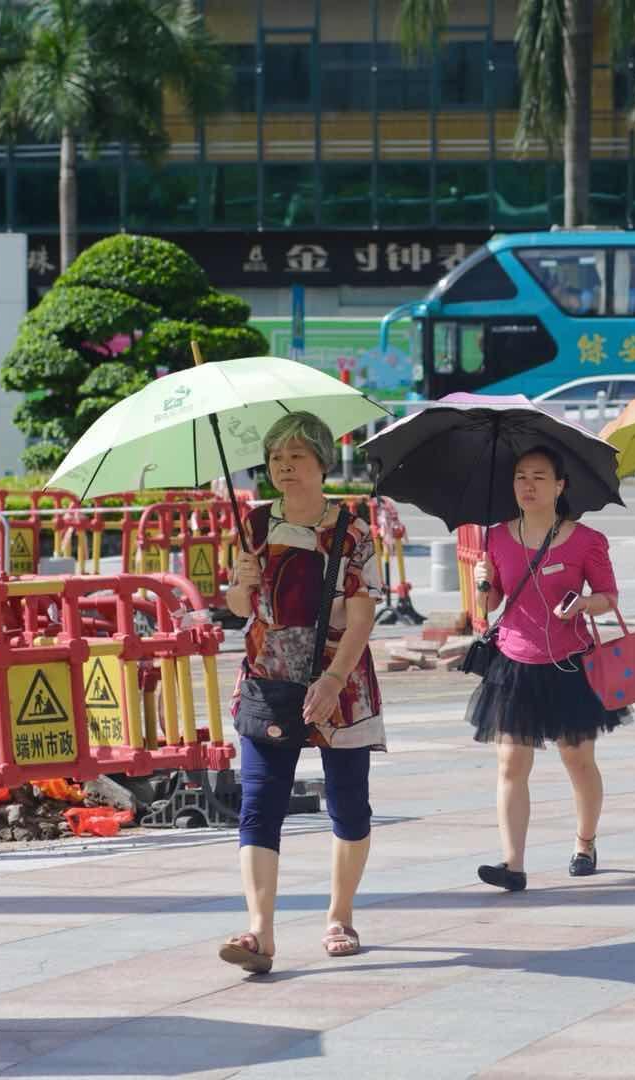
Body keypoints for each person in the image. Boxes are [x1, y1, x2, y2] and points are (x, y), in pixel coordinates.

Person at [219, 412, 385, 972]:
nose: (284, 468)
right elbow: (241, 611)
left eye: (296, 457)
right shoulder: (253, 527)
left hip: (341, 683)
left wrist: (334, 678)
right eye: (275, 459)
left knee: (349, 805)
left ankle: (340, 914)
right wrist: (239, 586)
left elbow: (361, 617)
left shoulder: (353, 531)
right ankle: (259, 932)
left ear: (321, 463)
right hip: (268, 676)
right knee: (258, 804)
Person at [467, 446, 628, 891]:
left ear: (560, 485)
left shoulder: (585, 540)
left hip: (570, 664)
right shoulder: (496, 538)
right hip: (515, 663)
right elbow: (490, 604)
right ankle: (513, 864)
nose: (528, 485)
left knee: (577, 759)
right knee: (510, 764)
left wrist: (582, 604)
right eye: (521, 476)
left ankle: (585, 842)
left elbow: (609, 596)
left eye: (539, 476)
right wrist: (482, 583)